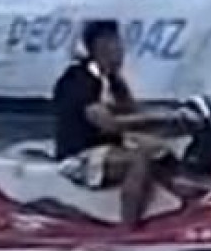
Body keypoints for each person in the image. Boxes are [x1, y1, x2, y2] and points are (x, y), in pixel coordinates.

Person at [50, 18, 192, 229]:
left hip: (107, 151)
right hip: (80, 157)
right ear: (98, 48)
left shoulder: (114, 82)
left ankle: (178, 210)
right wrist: (160, 118)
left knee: (161, 151)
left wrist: (177, 123)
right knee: (139, 160)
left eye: (119, 45)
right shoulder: (79, 80)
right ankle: (128, 227)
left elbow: (134, 116)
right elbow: (108, 123)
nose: (119, 51)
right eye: (112, 45)